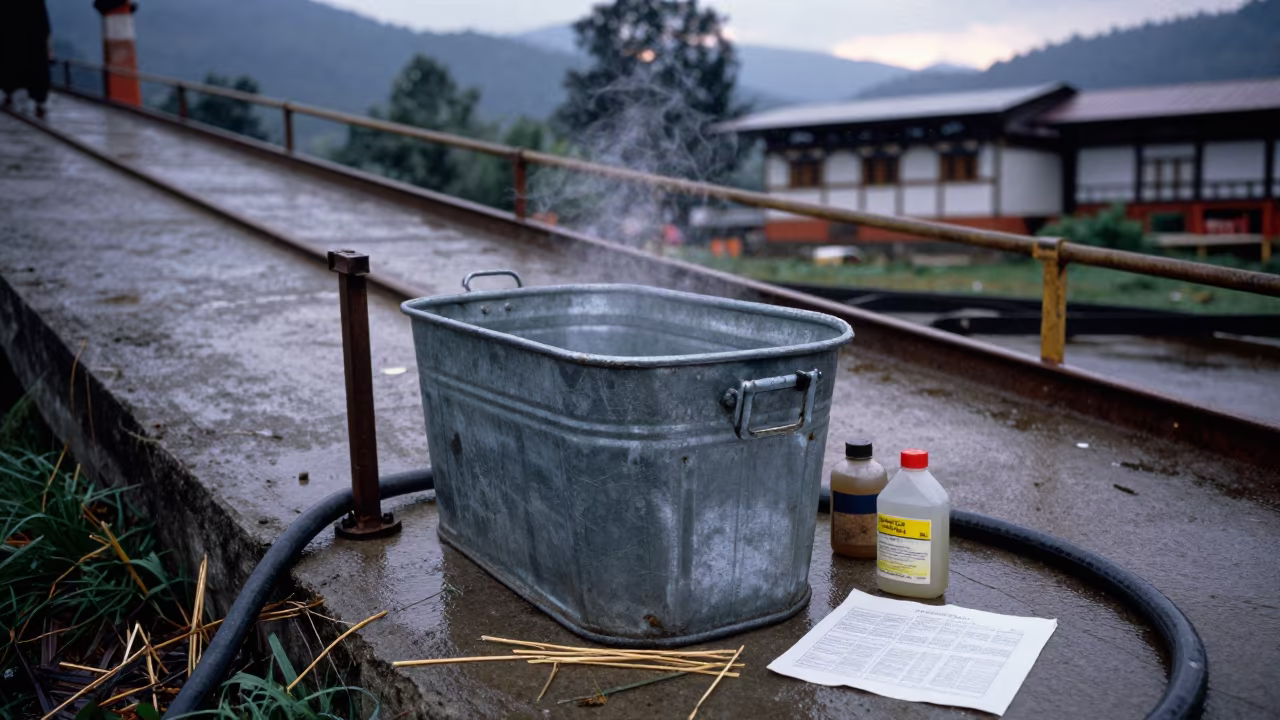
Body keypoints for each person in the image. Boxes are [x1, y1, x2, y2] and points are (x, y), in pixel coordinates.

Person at [0, 0, 53, 118]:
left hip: (12, 32)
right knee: (36, 66)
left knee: (10, 62)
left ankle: (9, 92)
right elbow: (43, 19)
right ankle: (39, 101)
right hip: (33, 35)